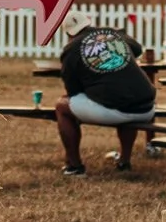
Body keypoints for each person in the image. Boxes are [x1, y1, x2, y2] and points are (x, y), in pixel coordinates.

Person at [54, 15, 156, 176]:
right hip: (146, 108)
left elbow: (73, 92)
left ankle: (74, 165)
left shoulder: (71, 49)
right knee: (125, 99)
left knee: (62, 106)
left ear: (68, 33)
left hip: (114, 110)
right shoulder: (111, 33)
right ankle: (124, 161)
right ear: (88, 23)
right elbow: (136, 49)